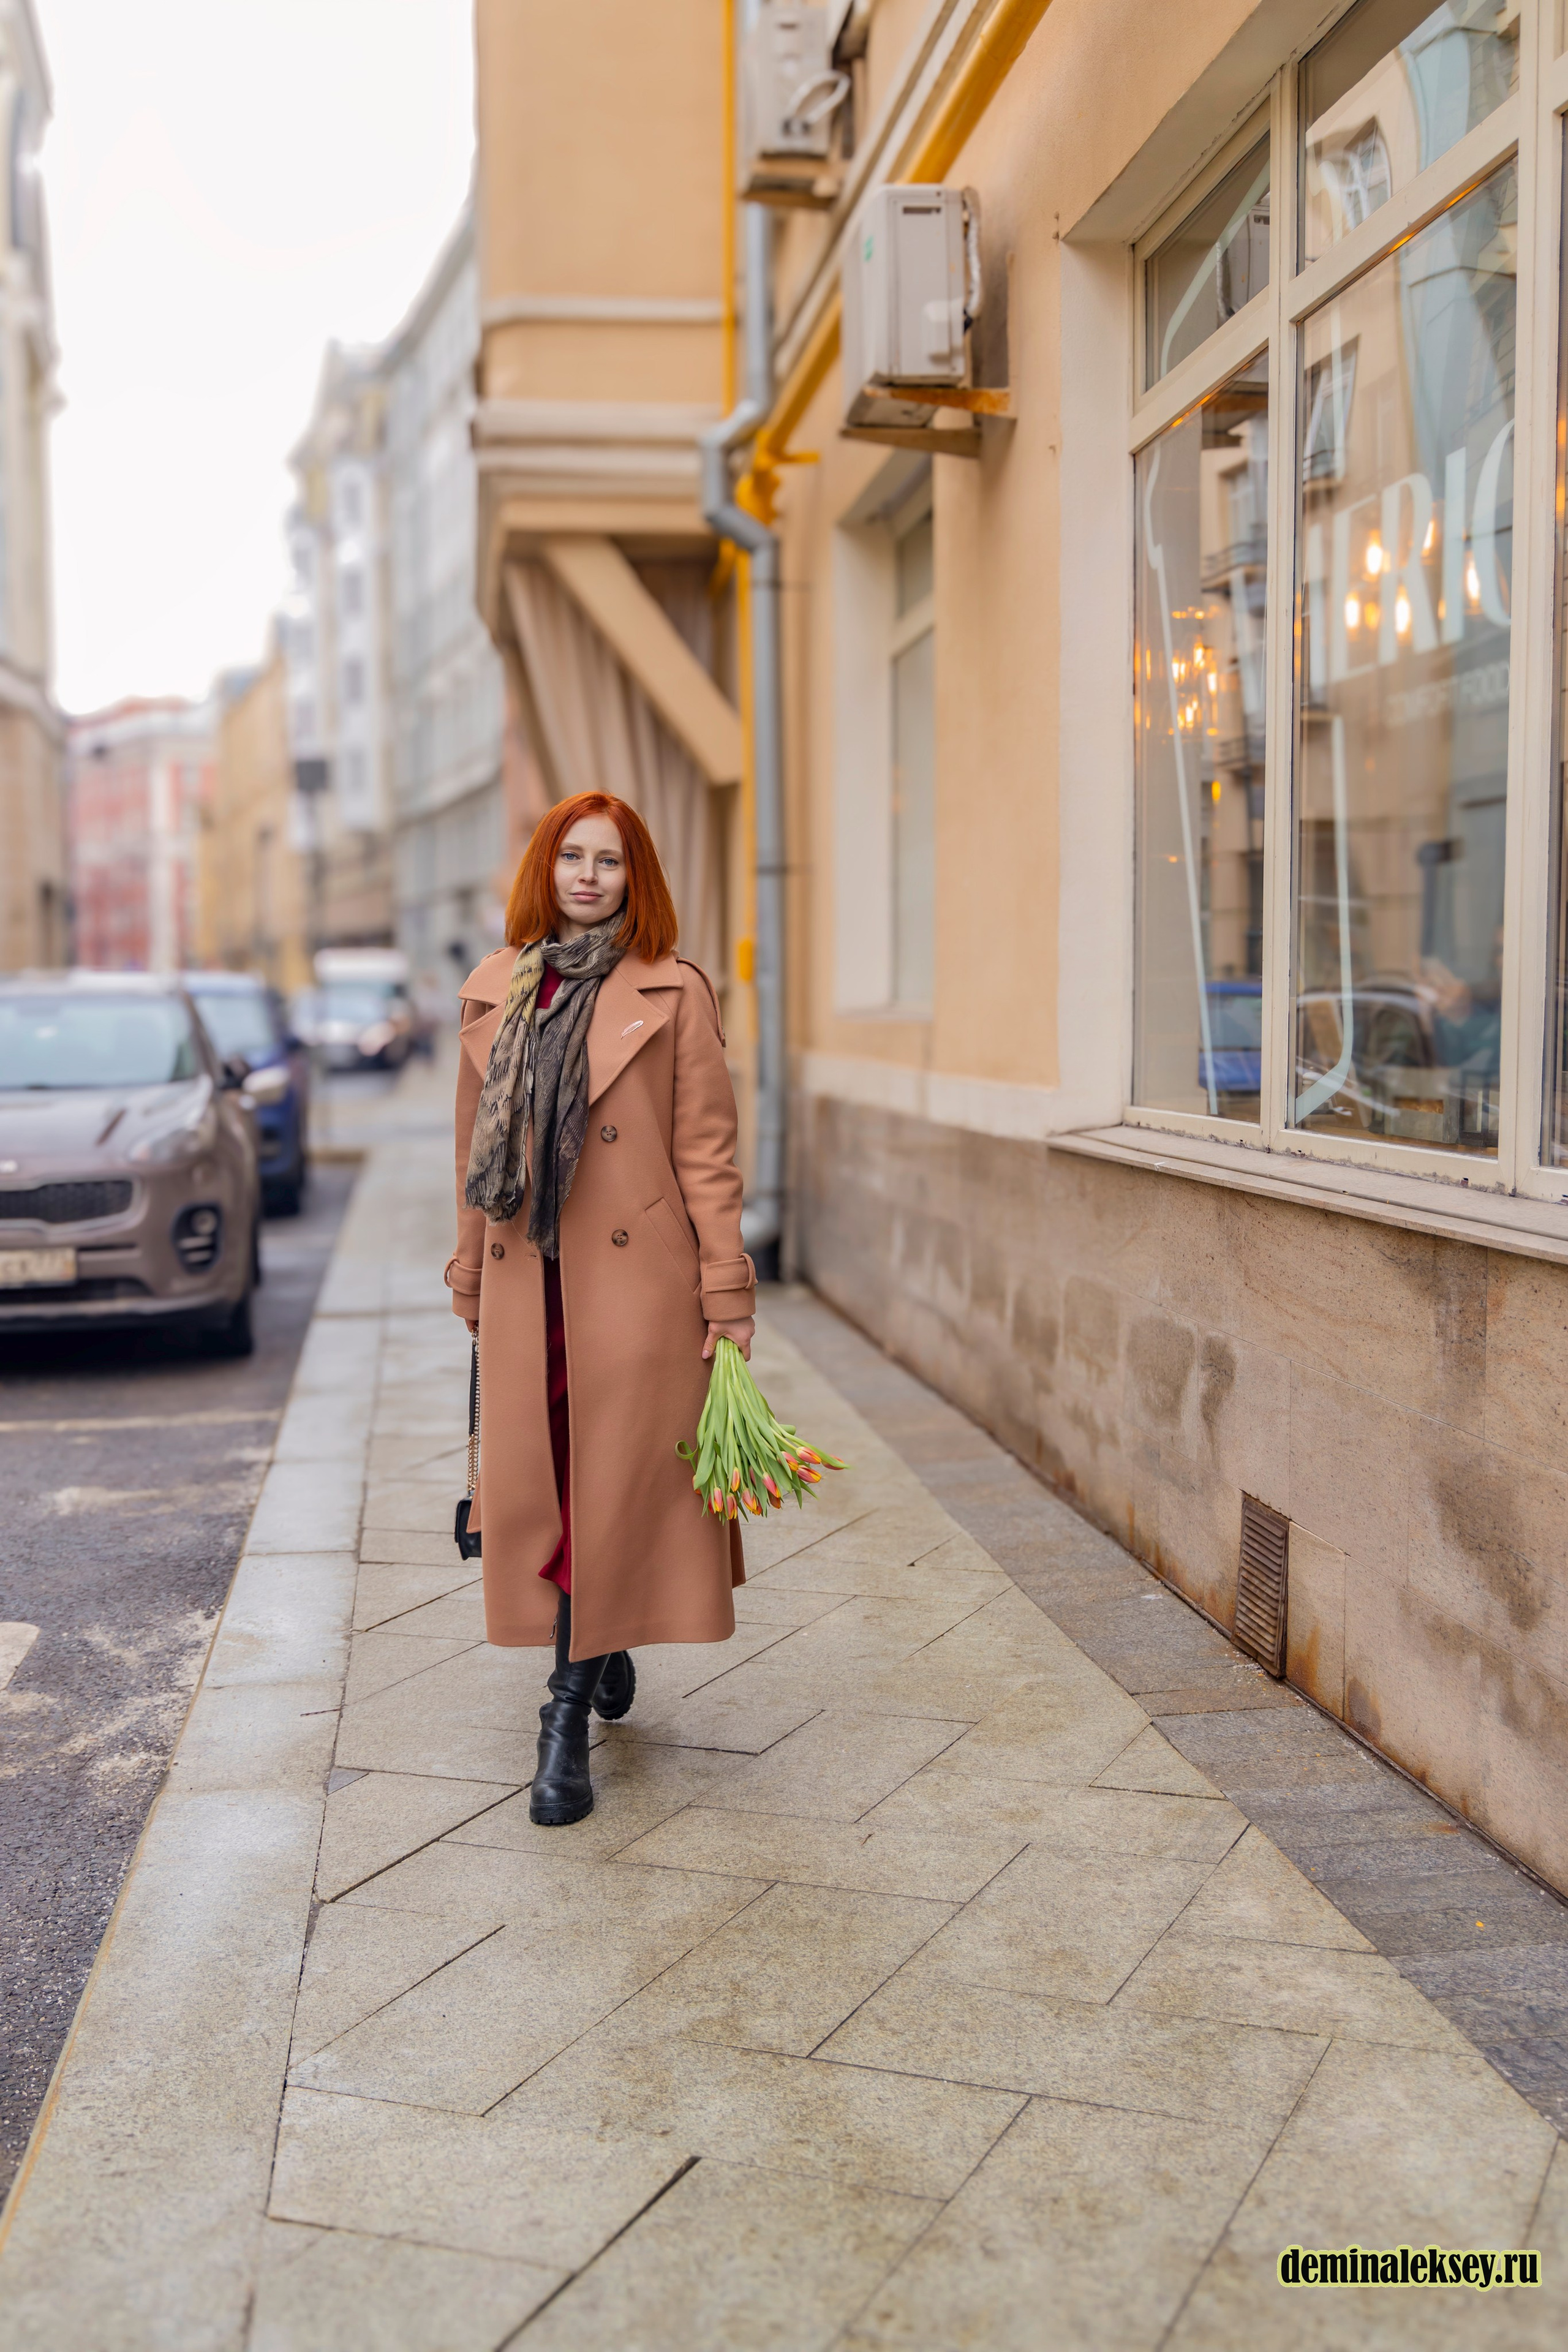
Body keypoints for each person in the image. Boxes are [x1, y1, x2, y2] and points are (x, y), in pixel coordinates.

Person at [445, 791, 756, 1826]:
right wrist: (469, 1276)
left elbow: (708, 1154)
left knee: (608, 1482)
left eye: (609, 861)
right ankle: (604, 1632)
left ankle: (564, 1717)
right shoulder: (495, 988)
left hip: (637, 1291)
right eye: (571, 856)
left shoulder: (673, 990)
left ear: (635, 878)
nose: (588, 876)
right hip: (528, 1281)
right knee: (555, 1486)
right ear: (547, 868)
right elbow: (469, 1155)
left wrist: (725, 1289)